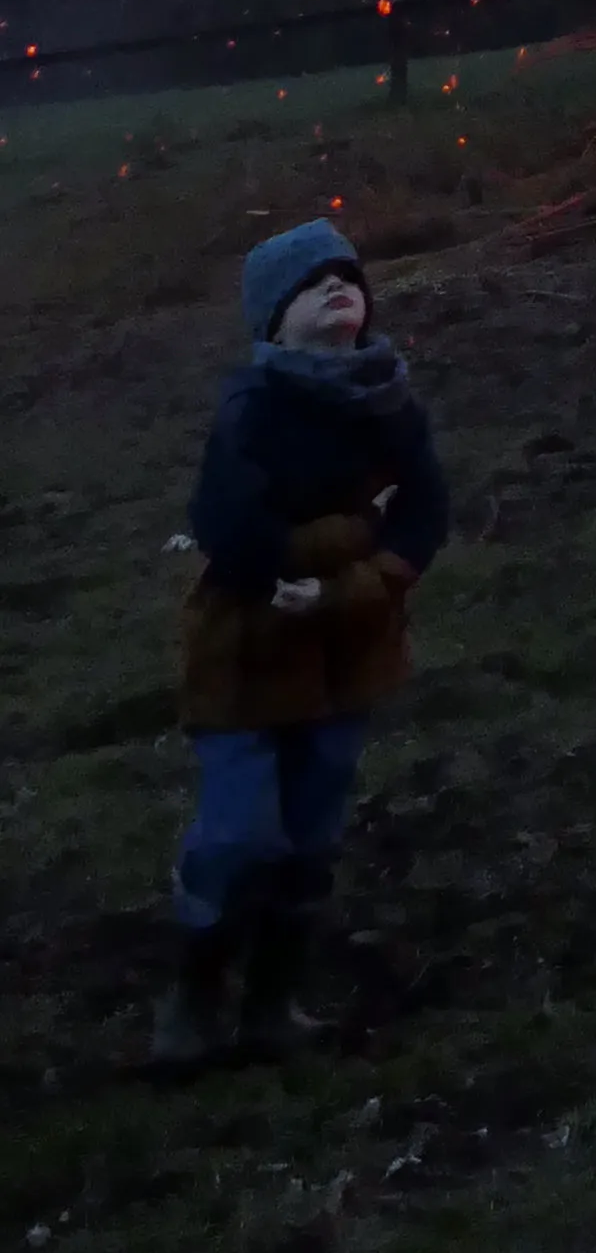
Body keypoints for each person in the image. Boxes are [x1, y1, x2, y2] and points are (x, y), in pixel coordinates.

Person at [153, 214, 450, 1071]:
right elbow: (226, 518)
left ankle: (273, 1003)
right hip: (251, 648)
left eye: (348, 276)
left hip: (348, 648)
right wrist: (305, 558)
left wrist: (370, 577)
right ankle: (195, 992)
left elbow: (426, 510)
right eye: (311, 283)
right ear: (271, 321)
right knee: (241, 834)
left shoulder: (390, 401)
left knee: (313, 828)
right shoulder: (253, 407)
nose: (337, 288)